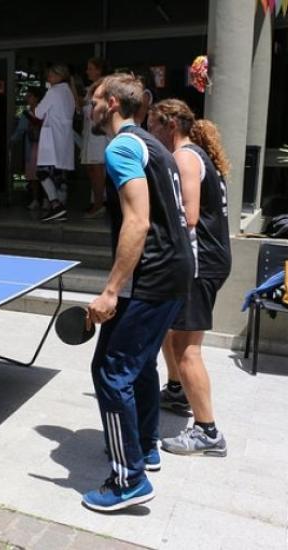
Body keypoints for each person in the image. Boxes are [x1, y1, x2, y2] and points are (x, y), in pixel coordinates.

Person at [82, 74, 193, 512]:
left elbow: (139, 222)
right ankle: (144, 446)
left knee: (111, 372)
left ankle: (128, 480)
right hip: (171, 271)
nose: (88, 108)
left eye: (92, 100)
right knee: (139, 364)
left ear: (111, 103)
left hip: (153, 275)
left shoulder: (122, 147)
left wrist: (110, 290)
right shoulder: (153, 144)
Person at [148, 99, 231, 457]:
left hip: (200, 263)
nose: (150, 133)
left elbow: (190, 216)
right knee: (171, 329)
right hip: (206, 260)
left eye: (152, 125)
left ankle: (207, 431)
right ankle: (178, 390)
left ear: (169, 125)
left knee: (187, 348)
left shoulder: (184, 157)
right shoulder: (196, 154)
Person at [36, 64, 77, 222]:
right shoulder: (69, 92)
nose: (49, 78)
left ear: (59, 76)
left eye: (51, 75)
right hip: (64, 138)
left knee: (43, 172)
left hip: (52, 137)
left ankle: (56, 205)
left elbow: (39, 113)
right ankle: (60, 207)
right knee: (59, 174)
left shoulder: (53, 92)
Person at [80, 58, 111, 217]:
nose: (88, 71)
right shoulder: (90, 89)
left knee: (97, 168)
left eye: (91, 68)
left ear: (99, 70)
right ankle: (98, 201)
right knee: (91, 169)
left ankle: (99, 204)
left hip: (98, 134)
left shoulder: (104, 88)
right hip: (89, 132)